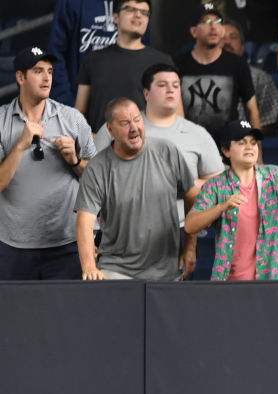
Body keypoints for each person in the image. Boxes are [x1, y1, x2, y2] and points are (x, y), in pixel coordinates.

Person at [94, 64, 223, 277]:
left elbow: (219, 185)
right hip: (119, 234)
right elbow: (94, 179)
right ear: (146, 93)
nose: (171, 90)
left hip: (177, 230)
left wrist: (180, 185)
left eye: (175, 85)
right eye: (162, 85)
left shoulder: (197, 134)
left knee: (167, 304)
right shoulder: (118, 126)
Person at [75, 98, 197, 280]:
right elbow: (84, 222)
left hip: (167, 271)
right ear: (110, 130)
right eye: (125, 123)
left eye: (137, 120)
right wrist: (89, 267)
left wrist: (190, 247)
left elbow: (192, 196)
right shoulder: (97, 167)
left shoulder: (167, 151)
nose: (134, 128)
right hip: (116, 269)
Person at [0, 47, 96, 280]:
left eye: (50, 71)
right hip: (13, 245)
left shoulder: (72, 119)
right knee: (15, 316)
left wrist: (74, 161)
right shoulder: (1, 120)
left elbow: (97, 182)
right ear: (20, 77)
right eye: (38, 71)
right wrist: (20, 145)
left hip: (66, 244)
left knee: (64, 316)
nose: (46, 78)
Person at [185, 120, 278, 280]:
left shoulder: (275, 176)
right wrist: (221, 207)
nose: (250, 147)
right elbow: (190, 226)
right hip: (231, 286)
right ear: (226, 151)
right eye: (241, 142)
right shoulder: (215, 186)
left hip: (276, 281)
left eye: (253, 143)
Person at [74, 0, 173, 132]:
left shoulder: (163, 62)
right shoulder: (93, 60)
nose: (138, 15)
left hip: (148, 148)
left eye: (144, 13)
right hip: (100, 147)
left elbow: (175, 115)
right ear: (115, 17)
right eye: (131, 9)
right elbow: (79, 114)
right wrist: (89, 139)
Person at [175, 5, 259, 136]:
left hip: (228, 147)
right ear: (194, 31)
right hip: (190, 146)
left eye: (218, 22)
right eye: (206, 21)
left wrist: (257, 150)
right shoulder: (178, 65)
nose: (213, 26)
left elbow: (252, 110)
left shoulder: (238, 64)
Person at [220, 18, 278, 135]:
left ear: (242, 47)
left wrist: (243, 135)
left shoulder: (260, 78)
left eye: (233, 37)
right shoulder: (203, 77)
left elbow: (269, 124)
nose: (227, 42)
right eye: (222, 38)